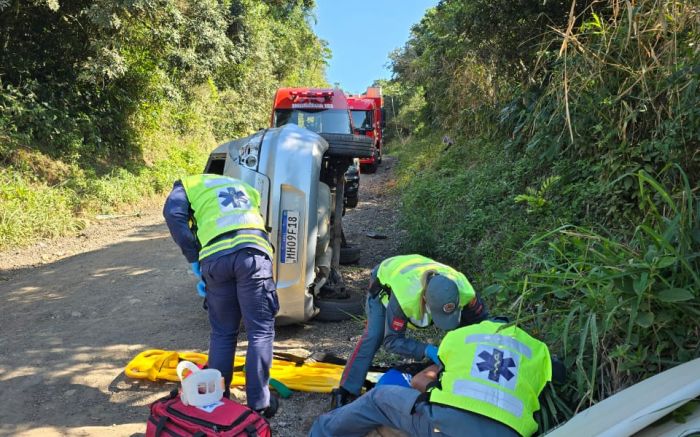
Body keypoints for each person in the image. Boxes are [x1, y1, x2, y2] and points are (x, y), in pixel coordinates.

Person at [311, 319, 555, 437]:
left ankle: (319, 433)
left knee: (379, 399)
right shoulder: (539, 351)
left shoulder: (463, 336)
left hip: (449, 426)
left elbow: (419, 382)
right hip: (510, 433)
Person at [163, 174, 279, 417]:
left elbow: (174, 215)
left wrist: (194, 258)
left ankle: (217, 400)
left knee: (223, 332)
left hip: (215, 259)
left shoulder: (187, 184)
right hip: (253, 254)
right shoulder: (245, 187)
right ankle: (260, 404)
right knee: (260, 330)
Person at [332, 254, 489, 408]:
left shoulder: (464, 291)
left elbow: (483, 325)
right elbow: (392, 341)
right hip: (385, 278)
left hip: (415, 267)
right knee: (375, 335)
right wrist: (426, 350)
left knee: (468, 325)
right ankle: (346, 390)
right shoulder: (405, 297)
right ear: (425, 300)